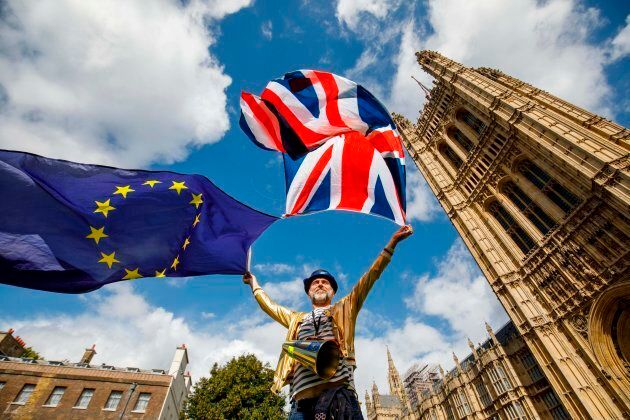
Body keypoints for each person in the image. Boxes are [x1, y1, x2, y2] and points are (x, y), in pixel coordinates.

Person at [243, 225, 413, 419]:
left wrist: (391, 245)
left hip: (339, 397)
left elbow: (370, 277)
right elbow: (269, 306)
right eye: (315, 282)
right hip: (301, 405)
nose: (320, 284)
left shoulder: (344, 307)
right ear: (309, 293)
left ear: (333, 292)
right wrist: (253, 283)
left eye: (326, 282)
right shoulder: (296, 319)